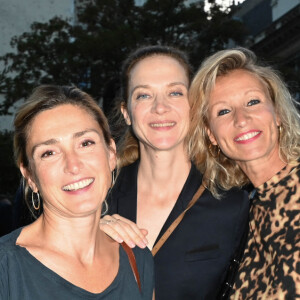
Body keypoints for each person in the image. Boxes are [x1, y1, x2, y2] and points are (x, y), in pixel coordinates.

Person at [101, 45, 249, 300]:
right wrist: (84, 234)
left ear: (194, 107)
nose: (160, 107)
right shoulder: (95, 197)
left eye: (175, 92)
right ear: (126, 113)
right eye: (144, 95)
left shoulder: (233, 205)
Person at [0, 85, 154, 300]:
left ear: (111, 153)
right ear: (30, 176)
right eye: (49, 152)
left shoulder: (137, 258)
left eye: (85, 143)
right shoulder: (6, 269)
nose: (73, 165)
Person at [188, 47, 300, 299]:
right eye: (224, 111)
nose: (241, 119)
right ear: (211, 135)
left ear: (278, 113)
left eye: (253, 102)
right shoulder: (241, 216)